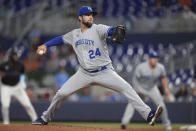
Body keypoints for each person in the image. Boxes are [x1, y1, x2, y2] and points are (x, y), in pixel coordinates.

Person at [32, 6, 163, 126]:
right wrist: (45, 45)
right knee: (60, 94)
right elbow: (60, 39)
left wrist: (115, 30)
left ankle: (149, 115)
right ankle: (45, 118)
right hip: (83, 73)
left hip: (104, 72)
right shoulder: (74, 34)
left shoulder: (98, 28)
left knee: (127, 88)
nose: (90, 17)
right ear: (80, 18)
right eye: (87, 14)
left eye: (91, 15)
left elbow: (109, 30)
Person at [121, 51, 172, 130]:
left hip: (152, 88)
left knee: (162, 106)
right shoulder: (141, 67)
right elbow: (135, 79)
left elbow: (164, 77)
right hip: (141, 88)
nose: (154, 60)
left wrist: (166, 88)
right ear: (149, 59)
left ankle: (167, 125)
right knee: (132, 103)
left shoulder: (160, 67)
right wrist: (137, 89)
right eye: (152, 58)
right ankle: (124, 123)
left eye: (156, 58)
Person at [0, 51, 37, 124]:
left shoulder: (20, 65)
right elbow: (1, 74)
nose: (15, 58)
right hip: (6, 87)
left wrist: (22, 82)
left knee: (27, 104)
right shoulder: (4, 65)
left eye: (16, 56)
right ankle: (6, 123)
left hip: (17, 87)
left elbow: (22, 74)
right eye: (13, 56)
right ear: (10, 57)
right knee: (5, 105)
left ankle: (35, 120)